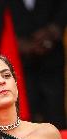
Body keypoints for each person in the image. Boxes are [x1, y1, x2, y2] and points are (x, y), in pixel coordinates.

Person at [6, 0, 67, 129]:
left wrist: (51, 32)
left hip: (52, 61)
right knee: (23, 117)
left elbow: (62, 8)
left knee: (56, 115)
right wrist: (19, 44)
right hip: (18, 66)